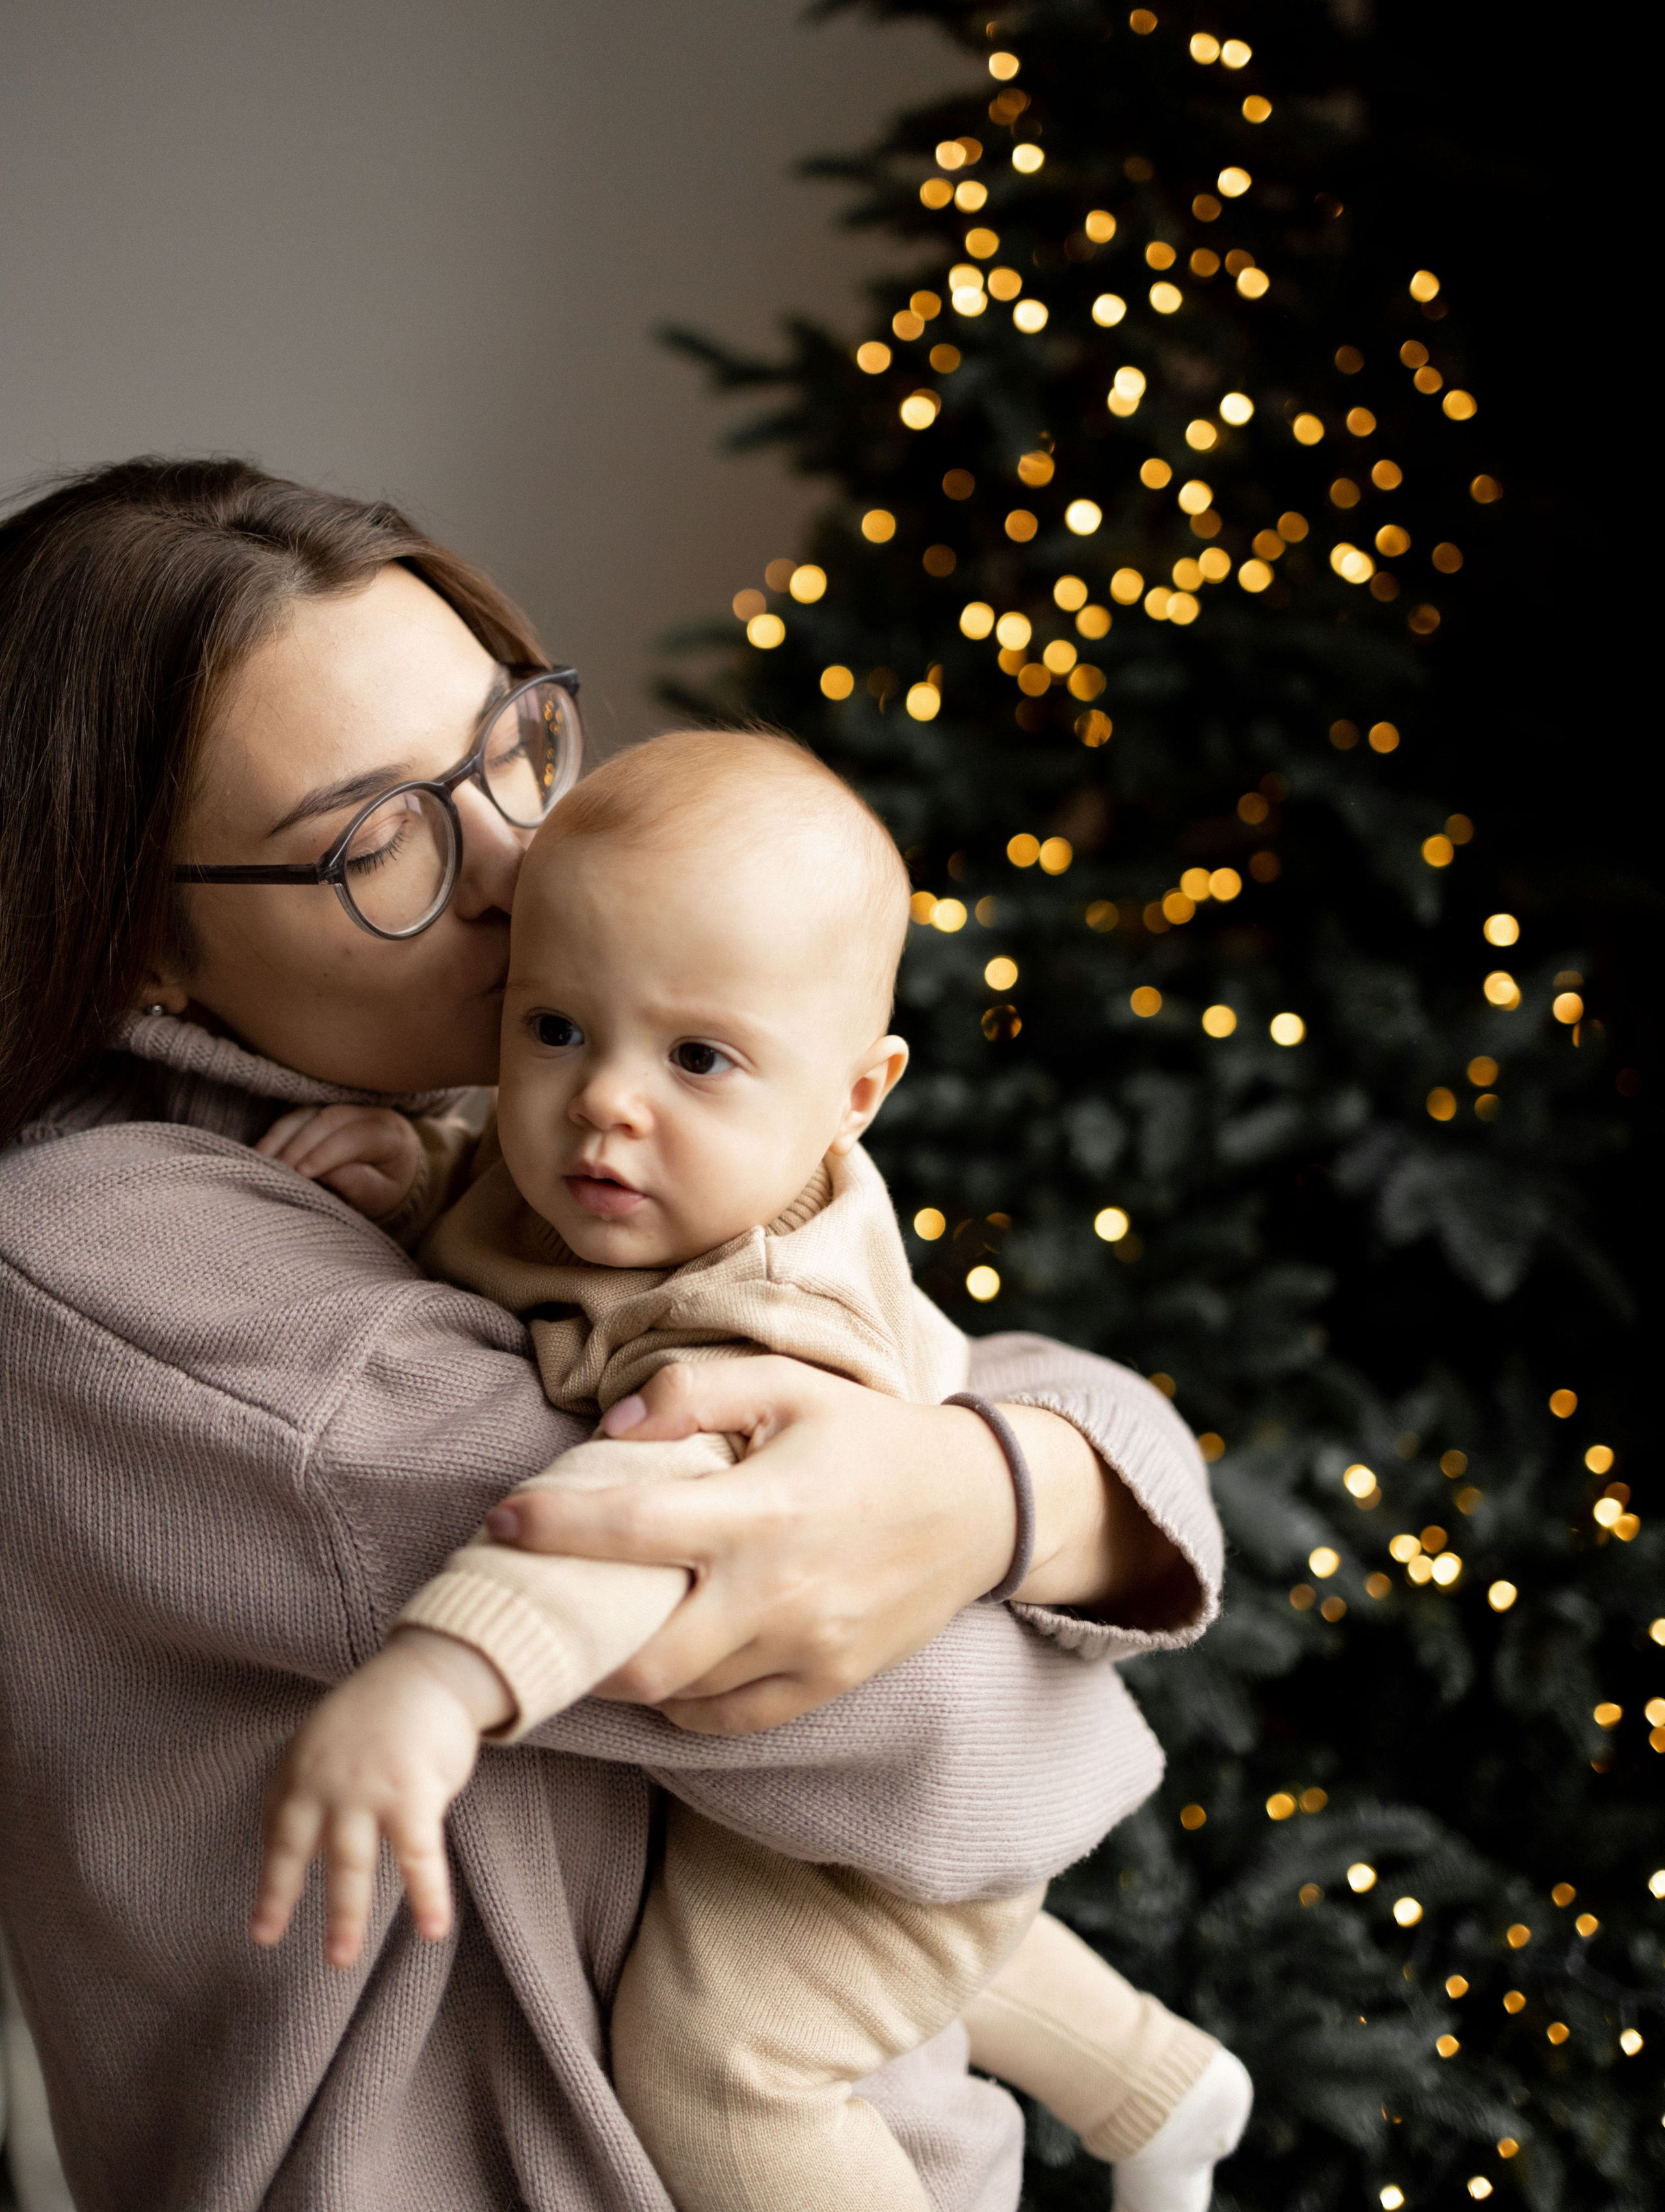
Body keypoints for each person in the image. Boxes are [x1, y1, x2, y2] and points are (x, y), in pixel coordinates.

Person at [0, 459, 1224, 2212]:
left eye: (510, 747)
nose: (520, 858)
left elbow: (996, 1382)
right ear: (146, 944)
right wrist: (1015, 1493)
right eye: (381, 836)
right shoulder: (112, 1258)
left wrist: (992, 1482)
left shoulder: (529, 1118)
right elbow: (949, 1722)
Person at [250, 728, 1251, 2211]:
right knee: (925, 1935)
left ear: (855, 1096)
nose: (605, 1105)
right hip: (861, 1819)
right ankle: (1162, 2091)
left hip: (863, 1812)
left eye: (699, 1058)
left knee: (724, 2054)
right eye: (553, 1030)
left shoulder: (762, 1316)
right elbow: (507, 1214)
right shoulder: (617, 1185)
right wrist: (416, 1174)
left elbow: (638, 1514)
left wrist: (438, 1681)